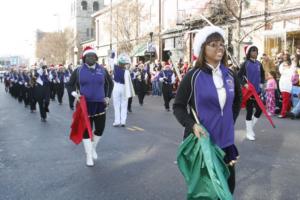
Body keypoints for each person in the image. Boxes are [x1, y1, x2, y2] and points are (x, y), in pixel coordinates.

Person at [173, 26, 242, 194]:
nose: (219, 48)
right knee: (208, 192)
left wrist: (228, 122)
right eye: (213, 44)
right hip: (204, 143)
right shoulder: (193, 76)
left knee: (228, 188)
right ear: (203, 48)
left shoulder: (230, 74)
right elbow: (178, 106)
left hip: (225, 142)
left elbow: (237, 101)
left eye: (222, 44)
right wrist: (192, 125)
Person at [68, 46, 113, 167]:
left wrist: (108, 97)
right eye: (88, 56)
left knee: (100, 128)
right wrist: (73, 93)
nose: (91, 58)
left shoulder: (102, 70)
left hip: (99, 104)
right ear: (84, 58)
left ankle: (93, 148)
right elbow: (70, 85)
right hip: (84, 104)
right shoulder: (78, 71)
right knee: (86, 130)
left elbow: (110, 83)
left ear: (96, 58)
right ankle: (88, 155)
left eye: (93, 56)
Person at [238, 45, 265, 141]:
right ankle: (249, 132)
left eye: (256, 51)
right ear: (249, 53)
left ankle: (250, 128)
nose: (255, 53)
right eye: (253, 51)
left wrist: (262, 83)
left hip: (257, 91)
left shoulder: (259, 64)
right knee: (249, 111)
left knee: (260, 109)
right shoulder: (245, 64)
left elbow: (262, 74)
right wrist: (244, 84)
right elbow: (238, 76)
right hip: (248, 92)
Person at [112, 53, 135, 127]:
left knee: (116, 105)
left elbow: (111, 60)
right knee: (124, 105)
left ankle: (117, 121)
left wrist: (113, 54)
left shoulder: (115, 67)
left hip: (117, 86)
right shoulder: (127, 71)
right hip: (125, 87)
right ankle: (123, 121)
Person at [278, 53, 294, 118]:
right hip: (283, 85)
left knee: (285, 100)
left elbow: (290, 73)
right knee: (287, 100)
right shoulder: (283, 66)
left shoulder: (291, 68)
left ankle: (283, 113)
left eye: (285, 65)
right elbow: (281, 71)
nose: (284, 66)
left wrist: (287, 67)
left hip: (287, 86)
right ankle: (288, 111)